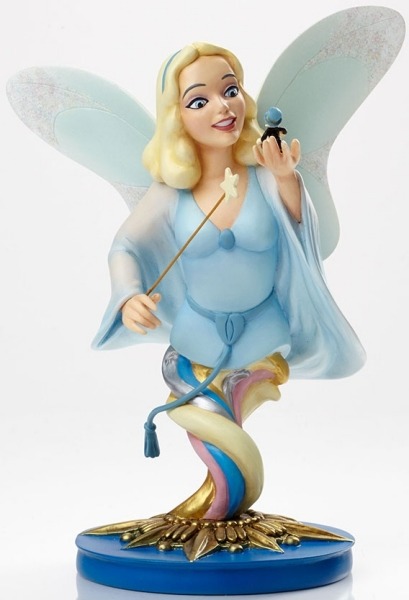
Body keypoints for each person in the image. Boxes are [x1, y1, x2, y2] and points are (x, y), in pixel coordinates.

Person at [92, 42, 365, 521]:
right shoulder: (170, 193)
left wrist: (287, 179)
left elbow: (301, 232)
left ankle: (219, 508)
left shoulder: (266, 176)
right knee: (203, 419)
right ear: (177, 118)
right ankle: (211, 511)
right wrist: (129, 294)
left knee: (228, 431)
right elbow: (125, 247)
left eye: (231, 90)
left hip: (263, 341)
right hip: (194, 343)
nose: (223, 107)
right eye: (200, 100)